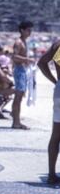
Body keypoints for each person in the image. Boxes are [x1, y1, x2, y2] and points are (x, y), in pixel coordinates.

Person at [37, 41, 60, 184]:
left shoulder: (58, 43)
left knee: (56, 135)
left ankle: (51, 174)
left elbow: (41, 63)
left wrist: (56, 81)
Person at [11, 21, 34, 130]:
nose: (30, 32)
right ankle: (16, 122)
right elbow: (14, 57)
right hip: (19, 69)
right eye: (28, 30)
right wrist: (27, 59)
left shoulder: (23, 41)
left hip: (22, 69)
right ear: (22, 30)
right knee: (18, 96)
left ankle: (17, 121)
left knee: (20, 96)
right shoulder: (19, 42)